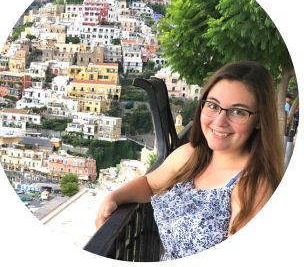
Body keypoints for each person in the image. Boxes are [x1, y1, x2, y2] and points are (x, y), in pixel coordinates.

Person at [95, 60, 284, 260]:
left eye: (238, 111)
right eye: (213, 105)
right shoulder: (191, 155)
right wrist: (114, 198)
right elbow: (150, 184)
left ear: (259, 121)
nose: (219, 121)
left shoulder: (253, 185)